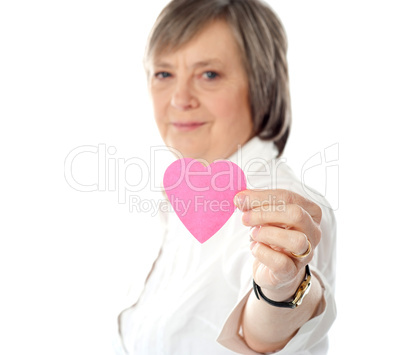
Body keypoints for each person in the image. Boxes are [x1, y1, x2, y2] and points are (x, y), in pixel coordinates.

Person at [116, 0, 336, 353]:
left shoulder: (283, 203)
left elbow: (269, 331)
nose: (179, 98)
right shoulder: (175, 195)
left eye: (210, 75)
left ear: (261, 85)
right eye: (163, 73)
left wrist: (279, 292)